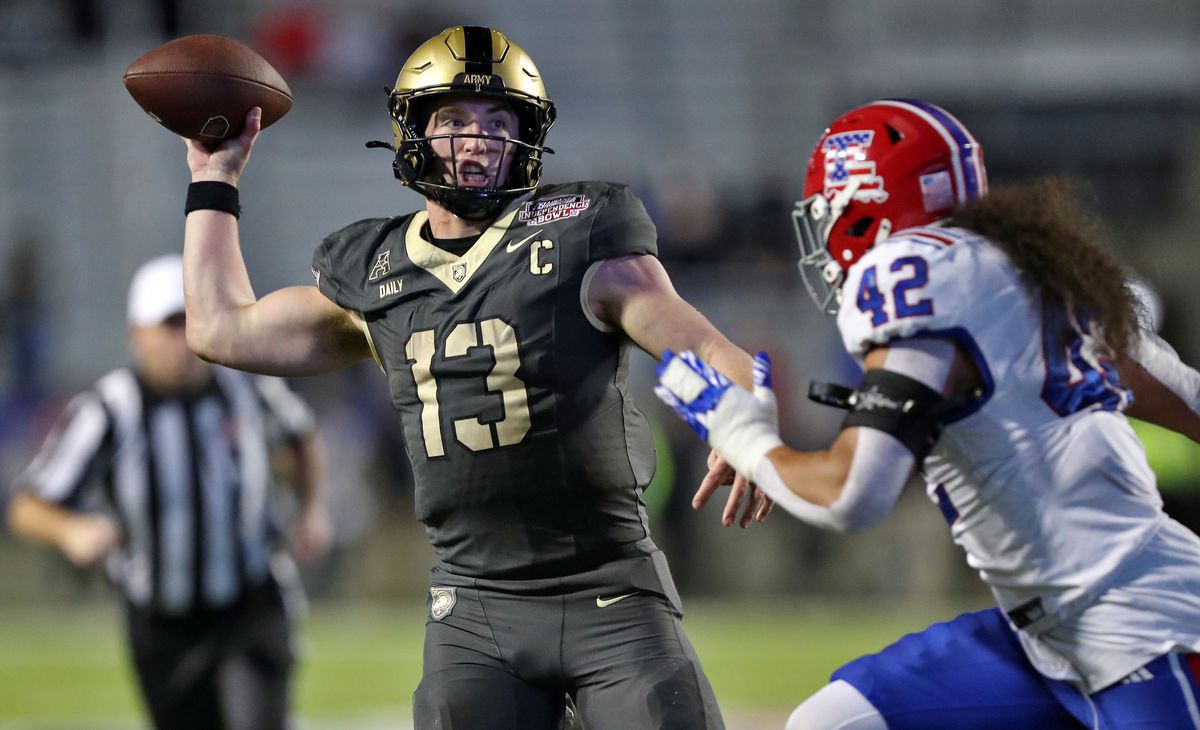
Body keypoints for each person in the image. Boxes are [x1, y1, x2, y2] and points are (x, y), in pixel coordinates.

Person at [178, 24, 768, 730]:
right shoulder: (374, 270)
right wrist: (214, 181)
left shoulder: (582, 235)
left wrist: (742, 424)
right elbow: (218, 328)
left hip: (611, 593)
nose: (478, 137)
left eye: (498, 120)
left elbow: (710, 348)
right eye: (454, 118)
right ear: (413, 133)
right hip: (472, 607)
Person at [655, 98, 1200, 729]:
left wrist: (740, 432)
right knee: (831, 723)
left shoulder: (910, 276)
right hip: (1044, 631)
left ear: (864, 209)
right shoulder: (1032, 274)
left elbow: (853, 495)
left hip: (1144, 629)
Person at [6, 253, 330, 730]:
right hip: (161, 621)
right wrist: (71, 529)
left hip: (250, 602)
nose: (184, 341)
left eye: (190, 322)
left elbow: (300, 434)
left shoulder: (243, 386)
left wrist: (311, 510)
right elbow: (27, 505)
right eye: (169, 326)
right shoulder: (108, 411)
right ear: (136, 334)